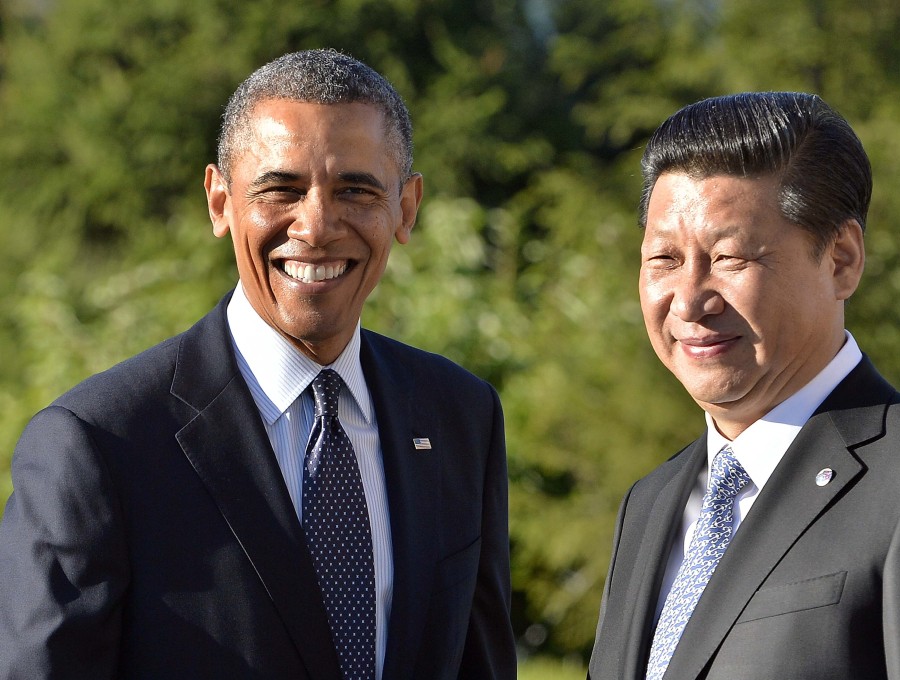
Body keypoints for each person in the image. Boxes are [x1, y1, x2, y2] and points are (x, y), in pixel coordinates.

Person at [0, 48, 515, 679]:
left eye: (356, 189)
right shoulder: (97, 445)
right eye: (281, 189)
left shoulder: (460, 415)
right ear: (220, 201)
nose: (317, 225)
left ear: (405, 209)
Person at [588, 92, 900, 679]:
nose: (689, 301)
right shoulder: (652, 502)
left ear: (841, 259)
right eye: (663, 259)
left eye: (730, 258)